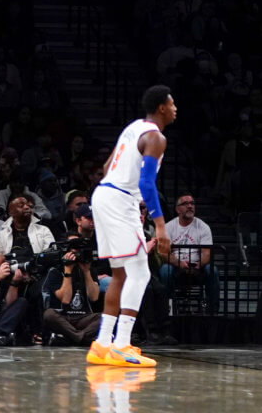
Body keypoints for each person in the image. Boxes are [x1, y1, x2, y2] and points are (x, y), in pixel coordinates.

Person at [87, 86, 174, 369]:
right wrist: (160, 226)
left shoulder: (134, 128)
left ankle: (102, 344)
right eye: (172, 104)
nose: (175, 108)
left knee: (121, 274)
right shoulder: (155, 137)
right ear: (161, 107)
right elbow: (147, 184)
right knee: (141, 272)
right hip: (119, 199)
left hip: (104, 194)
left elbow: (107, 164)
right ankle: (122, 344)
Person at [161, 195, 219, 313]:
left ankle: (213, 312)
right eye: (185, 204)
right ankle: (167, 310)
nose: (190, 206)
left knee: (212, 270)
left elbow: (207, 254)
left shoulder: (203, 227)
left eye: (192, 203)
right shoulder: (168, 227)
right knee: (164, 270)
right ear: (177, 209)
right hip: (176, 268)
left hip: (198, 267)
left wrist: (198, 264)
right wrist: (179, 263)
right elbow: (163, 253)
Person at [41, 232, 102, 345]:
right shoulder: (55, 271)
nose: (76, 251)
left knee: (104, 317)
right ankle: (82, 338)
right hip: (64, 316)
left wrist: (86, 272)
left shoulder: (89, 269)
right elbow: (65, 299)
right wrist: (68, 271)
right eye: (73, 248)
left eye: (79, 248)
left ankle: (71, 337)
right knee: (49, 314)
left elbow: (94, 297)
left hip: (83, 317)